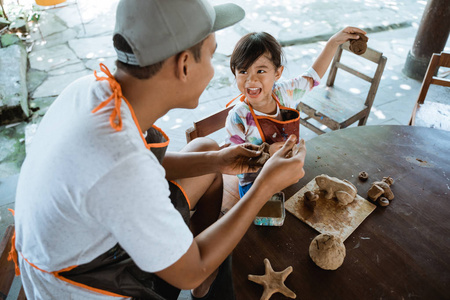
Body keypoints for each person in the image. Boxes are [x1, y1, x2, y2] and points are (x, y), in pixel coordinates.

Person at [12, 0, 307, 299]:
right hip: (88, 282)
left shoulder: (91, 87)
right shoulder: (121, 168)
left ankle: (202, 273)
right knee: (195, 267)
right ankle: (200, 268)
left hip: (81, 233)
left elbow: (143, 160)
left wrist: (217, 159)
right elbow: (188, 269)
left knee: (205, 149)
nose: (216, 70)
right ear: (184, 65)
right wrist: (265, 184)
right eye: (212, 55)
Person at [224, 28, 367, 197]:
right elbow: (233, 163)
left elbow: (313, 77)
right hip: (255, 184)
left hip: (290, 171)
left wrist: (333, 43)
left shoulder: (285, 93)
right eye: (243, 71)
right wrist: (267, 153)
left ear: (277, 73)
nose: (251, 79)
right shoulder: (237, 118)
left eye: (260, 71)